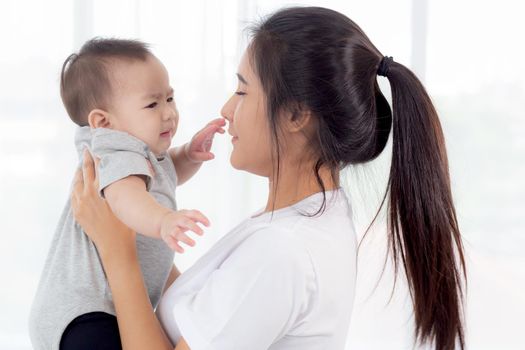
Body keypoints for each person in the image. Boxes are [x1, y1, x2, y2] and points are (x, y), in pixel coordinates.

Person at [71, 6, 466, 350]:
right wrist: (141, 236)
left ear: (295, 114)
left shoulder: (283, 250)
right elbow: (202, 315)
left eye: (242, 92)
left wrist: (117, 251)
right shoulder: (299, 222)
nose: (226, 109)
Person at [29, 38, 224, 350]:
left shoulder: (139, 154)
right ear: (103, 122)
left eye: (170, 98)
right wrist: (163, 221)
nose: (169, 113)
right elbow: (125, 197)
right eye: (152, 104)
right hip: (88, 311)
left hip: (107, 307)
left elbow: (162, 176)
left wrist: (188, 154)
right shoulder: (113, 152)